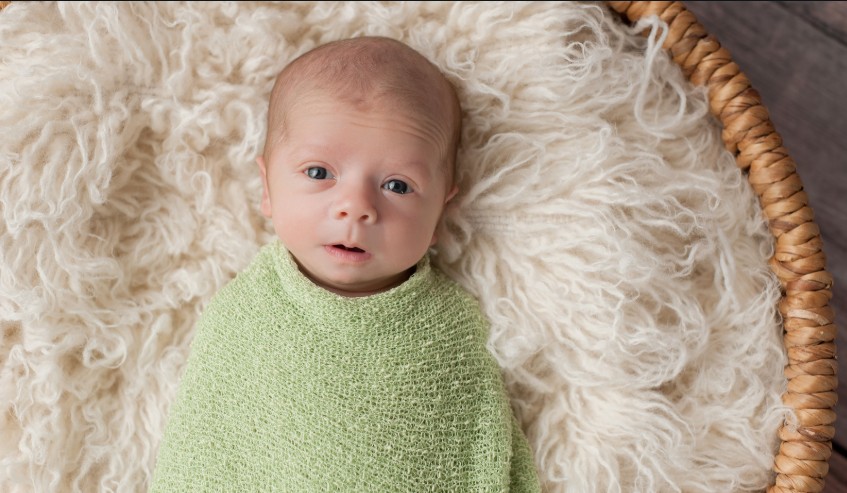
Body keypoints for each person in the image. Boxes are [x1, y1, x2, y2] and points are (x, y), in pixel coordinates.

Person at [150, 36, 541, 492]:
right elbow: (203, 452)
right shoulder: (241, 317)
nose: (356, 208)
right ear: (267, 190)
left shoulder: (454, 329)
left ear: (439, 212)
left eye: (397, 185)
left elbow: (483, 451)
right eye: (319, 174)